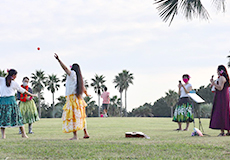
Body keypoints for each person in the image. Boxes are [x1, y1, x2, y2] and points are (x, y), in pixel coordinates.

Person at [54, 53, 90, 140]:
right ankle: (85, 133)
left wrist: (59, 60)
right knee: (80, 116)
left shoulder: (72, 74)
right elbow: (83, 88)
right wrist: (86, 94)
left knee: (73, 117)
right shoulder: (79, 77)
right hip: (79, 100)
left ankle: (75, 136)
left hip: (72, 99)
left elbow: (65, 69)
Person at [0, 69, 37, 139]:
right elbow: (23, 91)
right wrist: (31, 94)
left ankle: (3, 136)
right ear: (13, 75)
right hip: (11, 101)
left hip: (2, 101)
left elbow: (23, 90)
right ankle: (23, 134)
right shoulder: (14, 83)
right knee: (18, 117)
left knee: (2, 119)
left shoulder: (1, 80)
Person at [210, 65, 230, 136]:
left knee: (222, 112)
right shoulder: (221, 78)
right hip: (221, 96)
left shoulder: (222, 78)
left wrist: (213, 83)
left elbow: (220, 88)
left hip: (222, 97)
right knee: (225, 112)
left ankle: (222, 131)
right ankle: (228, 130)